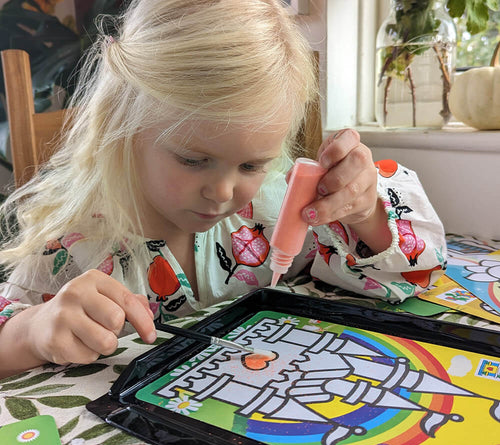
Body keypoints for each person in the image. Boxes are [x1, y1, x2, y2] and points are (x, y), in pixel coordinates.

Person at [0, 0, 446, 379]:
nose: (222, 191)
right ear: (124, 125)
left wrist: (365, 214)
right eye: (193, 160)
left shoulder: (276, 208)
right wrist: (31, 331)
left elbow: (406, 277)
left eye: (252, 164)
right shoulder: (68, 248)